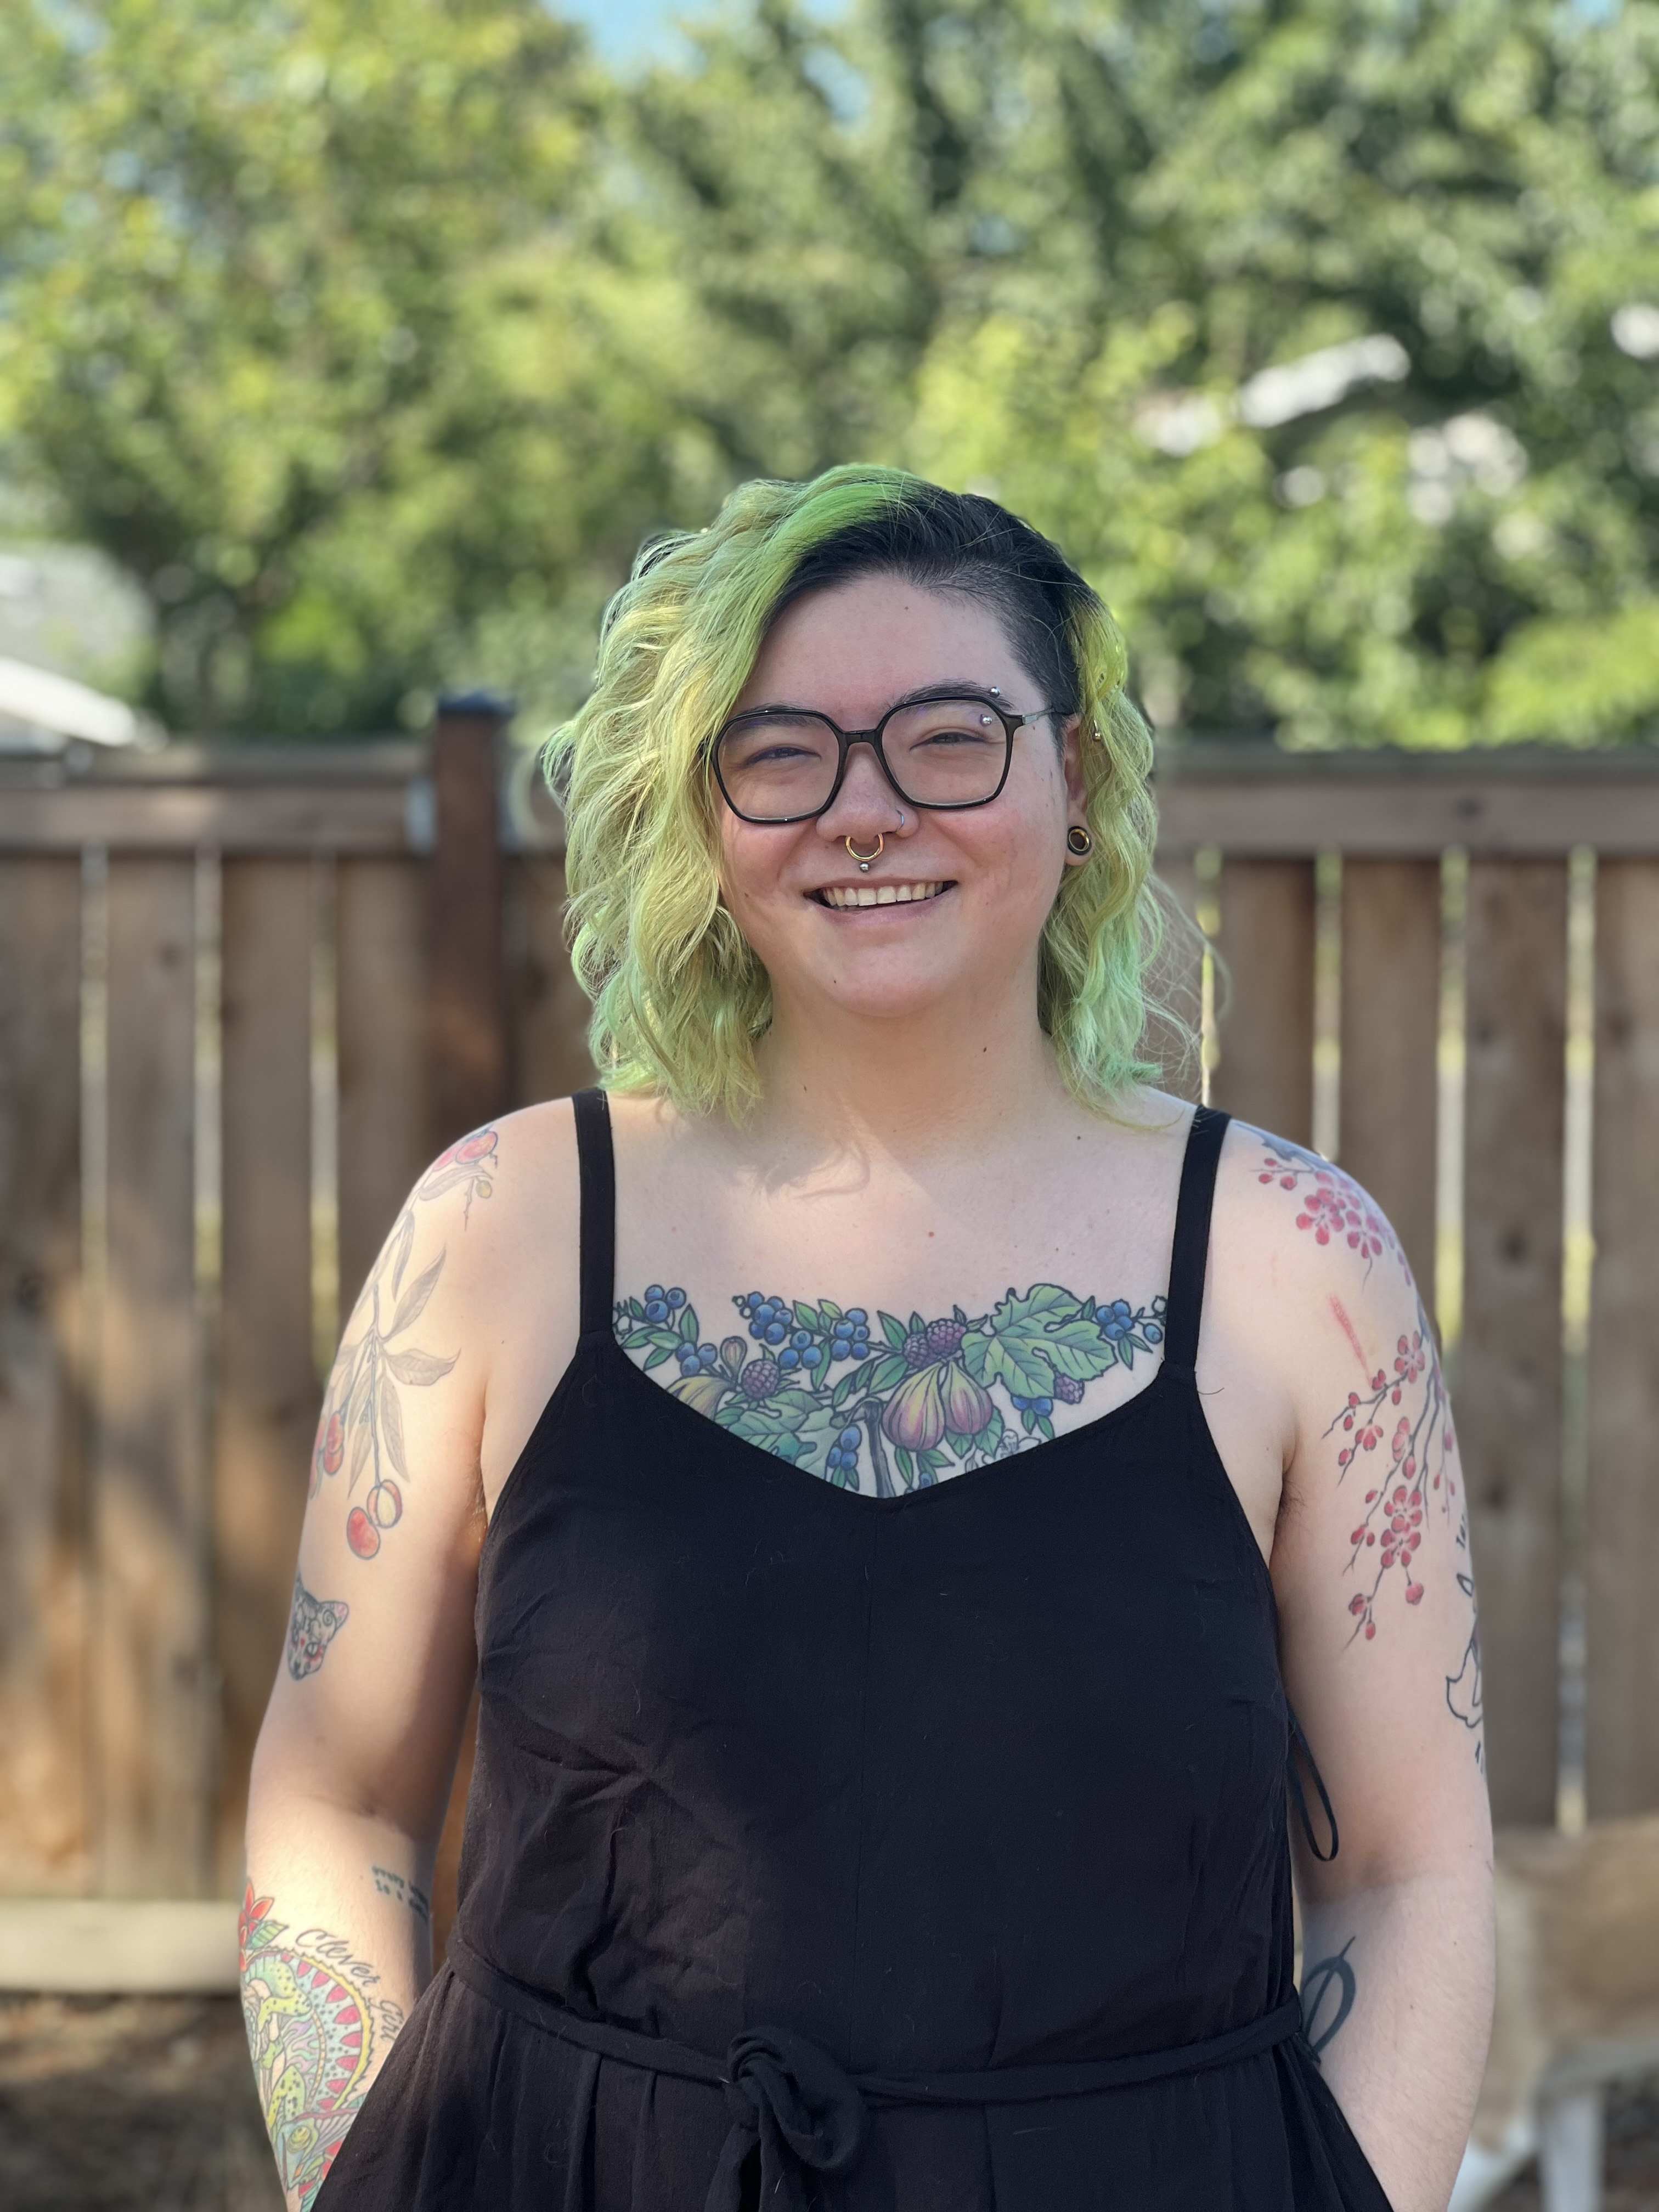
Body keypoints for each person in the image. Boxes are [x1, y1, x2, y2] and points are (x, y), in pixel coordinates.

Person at [243, 466, 1494, 2212]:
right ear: (708, 815)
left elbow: (1412, 1877)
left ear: (1079, 780)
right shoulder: (500, 1227)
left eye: (949, 739)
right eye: (781, 752)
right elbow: (334, 1803)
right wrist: (358, 2183)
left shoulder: (1300, 1265)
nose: (864, 811)